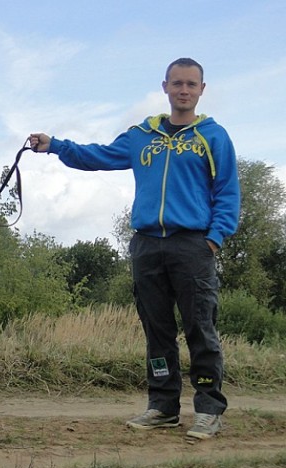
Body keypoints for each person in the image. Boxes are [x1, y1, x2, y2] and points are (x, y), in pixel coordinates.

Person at [29, 58, 240, 439]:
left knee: (200, 330)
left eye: (191, 84)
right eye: (177, 83)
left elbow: (228, 193)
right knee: (157, 332)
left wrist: (213, 239)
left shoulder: (214, 136)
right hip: (146, 246)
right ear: (165, 87)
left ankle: (209, 410)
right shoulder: (143, 134)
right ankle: (162, 406)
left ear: (202, 90)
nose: (184, 90)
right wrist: (54, 146)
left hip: (193, 245)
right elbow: (98, 156)